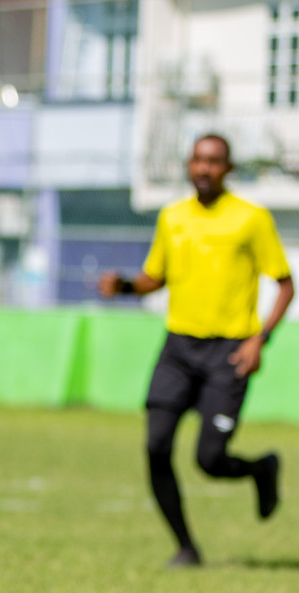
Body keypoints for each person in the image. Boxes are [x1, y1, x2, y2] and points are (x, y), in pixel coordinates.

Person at [98, 134, 294, 567]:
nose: (204, 168)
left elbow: (285, 284)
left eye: (213, 161)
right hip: (178, 349)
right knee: (155, 446)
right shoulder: (172, 217)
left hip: (229, 354)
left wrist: (260, 339)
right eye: (197, 160)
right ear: (189, 165)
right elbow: (157, 276)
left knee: (209, 459)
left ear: (227, 168)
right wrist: (126, 285)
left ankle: (261, 469)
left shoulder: (251, 218)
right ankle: (185, 546)